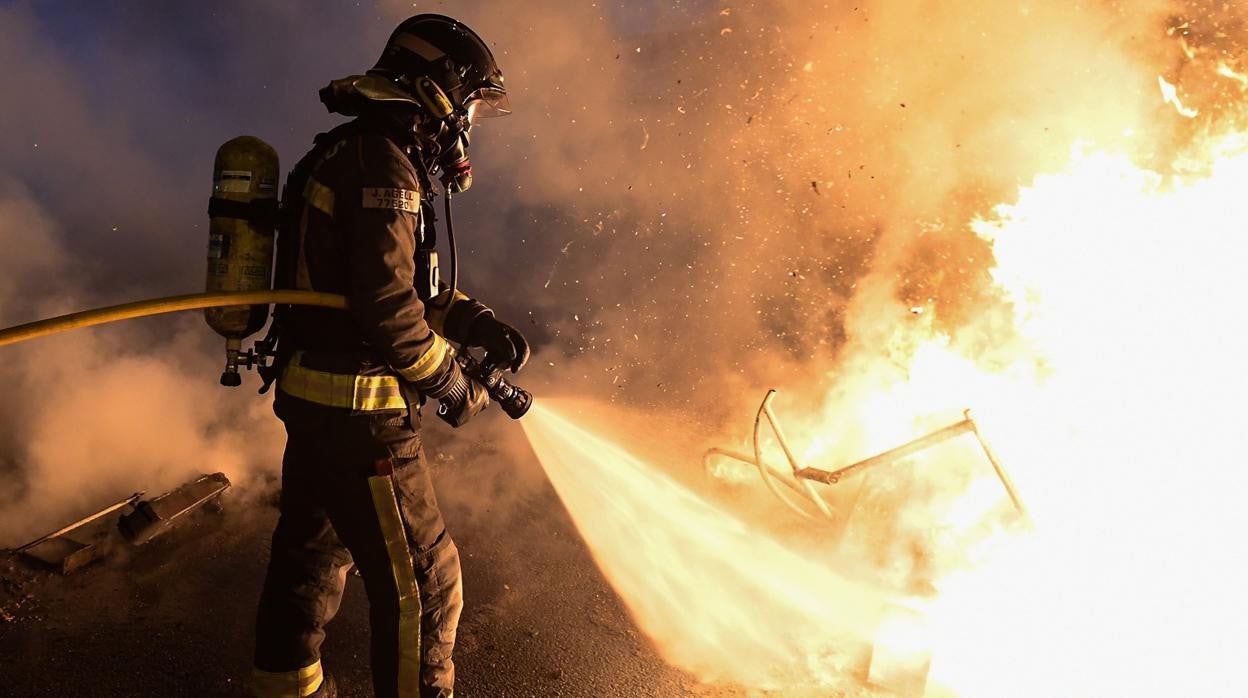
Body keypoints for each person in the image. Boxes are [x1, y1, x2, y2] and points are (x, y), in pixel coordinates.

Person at [249, 14, 528, 698]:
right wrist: (453, 382)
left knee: (311, 562)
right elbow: (385, 305)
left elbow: (395, 285)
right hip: (362, 420)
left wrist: (474, 319)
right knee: (428, 587)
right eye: (471, 104)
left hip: (319, 407)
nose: (471, 123)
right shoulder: (381, 160)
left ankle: (287, 689)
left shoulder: (360, 150)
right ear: (439, 90)